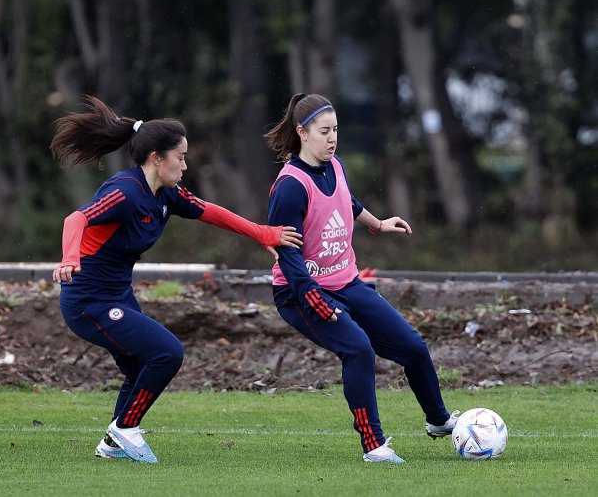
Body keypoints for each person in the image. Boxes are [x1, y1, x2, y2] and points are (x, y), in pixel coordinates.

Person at [50, 96, 301, 464]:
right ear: (156, 158)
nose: (185, 165)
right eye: (179, 158)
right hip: (88, 301)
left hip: (117, 296)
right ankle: (125, 430)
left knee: (139, 367)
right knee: (167, 352)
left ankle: (113, 441)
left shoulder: (166, 194)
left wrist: (264, 233)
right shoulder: (124, 191)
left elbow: (210, 212)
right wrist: (70, 257)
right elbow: (77, 219)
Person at [264, 93, 458, 463]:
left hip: (347, 283)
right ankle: (374, 446)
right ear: (302, 132)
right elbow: (286, 252)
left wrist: (378, 224)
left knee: (413, 346)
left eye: (335, 130)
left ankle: (439, 420)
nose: (332, 138)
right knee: (358, 349)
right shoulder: (290, 186)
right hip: (299, 293)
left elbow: (347, 202)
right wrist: (311, 297)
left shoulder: (335, 165)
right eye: (324, 131)